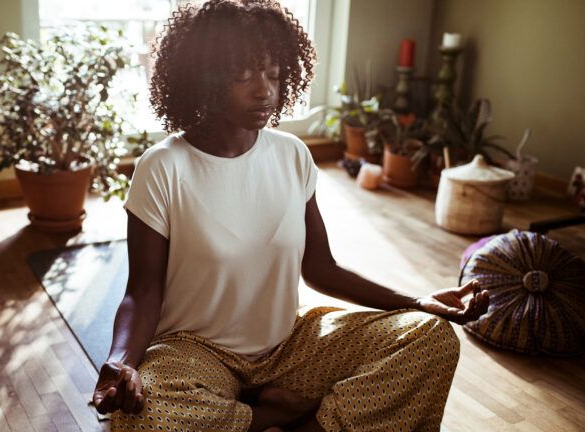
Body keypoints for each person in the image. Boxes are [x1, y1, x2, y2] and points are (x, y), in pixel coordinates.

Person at [92, 1, 490, 431]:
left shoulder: (292, 154)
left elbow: (321, 268)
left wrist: (416, 302)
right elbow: (143, 291)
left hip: (288, 346)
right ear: (203, 79)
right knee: (142, 416)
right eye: (243, 76)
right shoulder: (163, 166)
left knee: (428, 338)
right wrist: (121, 363)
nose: (264, 90)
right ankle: (276, 416)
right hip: (194, 353)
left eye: (275, 75)